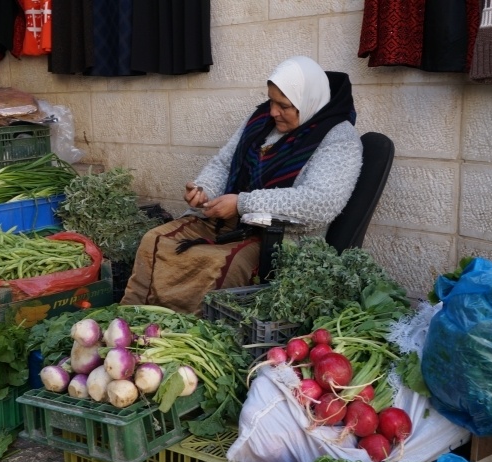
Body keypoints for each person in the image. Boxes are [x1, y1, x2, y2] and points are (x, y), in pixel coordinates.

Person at [121, 56, 363, 315]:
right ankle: (134, 319)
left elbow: (320, 202)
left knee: (225, 263)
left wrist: (242, 203)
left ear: (309, 102)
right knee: (155, 239)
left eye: (284, 105)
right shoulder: (260, 120)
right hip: (228, 223)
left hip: (278, 236)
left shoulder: (339, 138)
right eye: (271, 101)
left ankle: (195, 334)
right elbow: (225, 163)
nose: (273, 112)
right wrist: (204, 189)